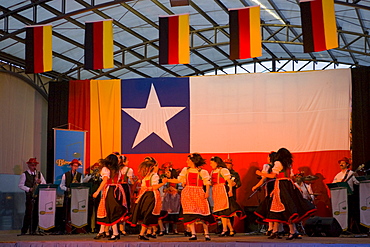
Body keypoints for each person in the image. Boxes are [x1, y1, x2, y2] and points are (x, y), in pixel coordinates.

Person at [254, 148, 317, 240]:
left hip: (281, 185)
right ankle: (276, 231)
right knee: (277, 207)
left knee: (285, 208)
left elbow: (273, 175)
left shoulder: (278, 163)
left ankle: (291, 231)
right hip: (287, 185)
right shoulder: (288, 164)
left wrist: (260, 173)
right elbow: (291, 176)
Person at [167, 153, 216, 241]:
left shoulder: (202, 172)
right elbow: (179, 180)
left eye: (188, 160)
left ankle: (206, 234)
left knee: (203, 213)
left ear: (193, 161)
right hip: (188, 193)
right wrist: (167, 180)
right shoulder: (186, 170)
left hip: (199, 191)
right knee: (190, 214)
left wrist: (207, 192)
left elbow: (207, 183)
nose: (187, 162)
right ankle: (193, 234)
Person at [127, 160, 167, 240]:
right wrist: (163, 183)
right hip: (151, 196)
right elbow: (154, 187)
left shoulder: (146, 177)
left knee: (148, 213)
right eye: (156, 166)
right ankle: (142, 234)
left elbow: (143, 187)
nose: (157, 168)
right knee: (149, 213)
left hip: (145, 196)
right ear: (152, 168)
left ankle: (149, 232)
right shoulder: (154, 176)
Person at [93, 154, 128, 240]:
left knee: (110, 211)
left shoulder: (106, 169)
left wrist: (97, 191)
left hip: (111, 191)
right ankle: (104, 232)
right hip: (117, 190)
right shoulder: (117, 170)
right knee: (108, 211)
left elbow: (105, 180)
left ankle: (114, 233)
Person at [210, 156, 245, 237]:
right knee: (223, 213)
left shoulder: (228, 172)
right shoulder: (213, 171)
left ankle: (225, 230)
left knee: (225, 212)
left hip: (224, 192)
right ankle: (230, 230)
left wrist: (231, 188)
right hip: (217, 192)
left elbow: (234, 182)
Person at [252, 152, 280, 236]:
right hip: (278, 186)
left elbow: (263, 179)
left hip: (270, 186)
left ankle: (271, 228)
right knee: (277, 207)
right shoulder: (278, 166)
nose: (267, 158)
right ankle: (278, 228)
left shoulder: (267, 166)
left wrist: (256, 186)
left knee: (270, 206)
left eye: (268, 157)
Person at [18, 157, 46, 235]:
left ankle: (33, 230)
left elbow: (44, 184)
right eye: (32, 165)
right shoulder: (25, 174)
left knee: (36, 213)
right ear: (29, 165)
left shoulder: (39, 174)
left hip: (37, 195)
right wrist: (29, 189)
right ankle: (24, 230)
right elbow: (20, 185)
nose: (34, 167)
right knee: (29, 213)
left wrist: (40, 182)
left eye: (35, 165)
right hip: (29, 196)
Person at [332, 157, 360, 233]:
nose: (341, 164)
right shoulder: (338, 175)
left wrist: (357, 176)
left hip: (349, 195)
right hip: (340, 197)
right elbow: (333, 185)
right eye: (340, 163)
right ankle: (341, 227)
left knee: (349, 212)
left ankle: (349, 228)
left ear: (347, 164)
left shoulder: (351, 173)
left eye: (343, 163)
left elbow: (357, 182)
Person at [59, 159, 83, 234]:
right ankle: (67, 229)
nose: (76, 168)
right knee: (67, 212)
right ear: (71, 166)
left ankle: (76, 228)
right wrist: (68, 189)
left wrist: (78, 185)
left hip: (76, 196)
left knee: (76, 212)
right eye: (74, 166)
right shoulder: (65, 175)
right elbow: (61, 186)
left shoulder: (79, 175)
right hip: (68, 196)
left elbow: (81, 185)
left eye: (77, 166)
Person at [160, 162, 181, 235]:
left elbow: (181, 189)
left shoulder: (177, 181)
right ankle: (166, 229)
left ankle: (175, 229)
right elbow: (162, 189)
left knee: (174, 214)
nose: (167, 174)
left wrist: (175, 190)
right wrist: (167, 189)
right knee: (166, 214)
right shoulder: (165, 181)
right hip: (167, 199)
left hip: (175, 199)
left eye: (168, 172)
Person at [118, 154, 134, 236]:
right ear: (123, 162)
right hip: (124, 188)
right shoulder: (129, 170)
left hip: (116, 188)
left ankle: (114, 228)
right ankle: (122, 229)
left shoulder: (116, 169)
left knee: (118, 207)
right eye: (127, 160)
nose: (128, 162)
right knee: (125, 207)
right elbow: (131, 181)